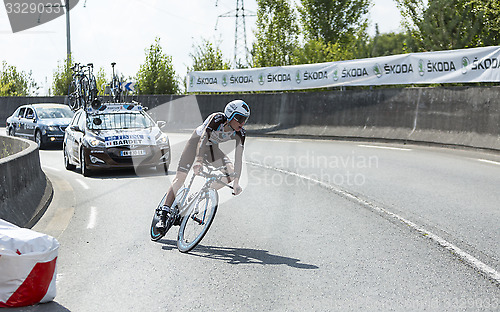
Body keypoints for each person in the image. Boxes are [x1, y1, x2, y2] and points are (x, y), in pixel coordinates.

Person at [156, 99, 250, 230]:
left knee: (231, 173)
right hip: (196, 143)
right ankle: (163, 214)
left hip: (212, 149)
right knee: (180, 177)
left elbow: (238, 158)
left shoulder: (241, 133)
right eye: (239, 118)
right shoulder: (217, 118)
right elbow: (203, 139)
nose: (243, 123)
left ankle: (202, 194)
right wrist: (198, 161)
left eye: (245, 119)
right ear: (230, 115)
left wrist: (236, 182)